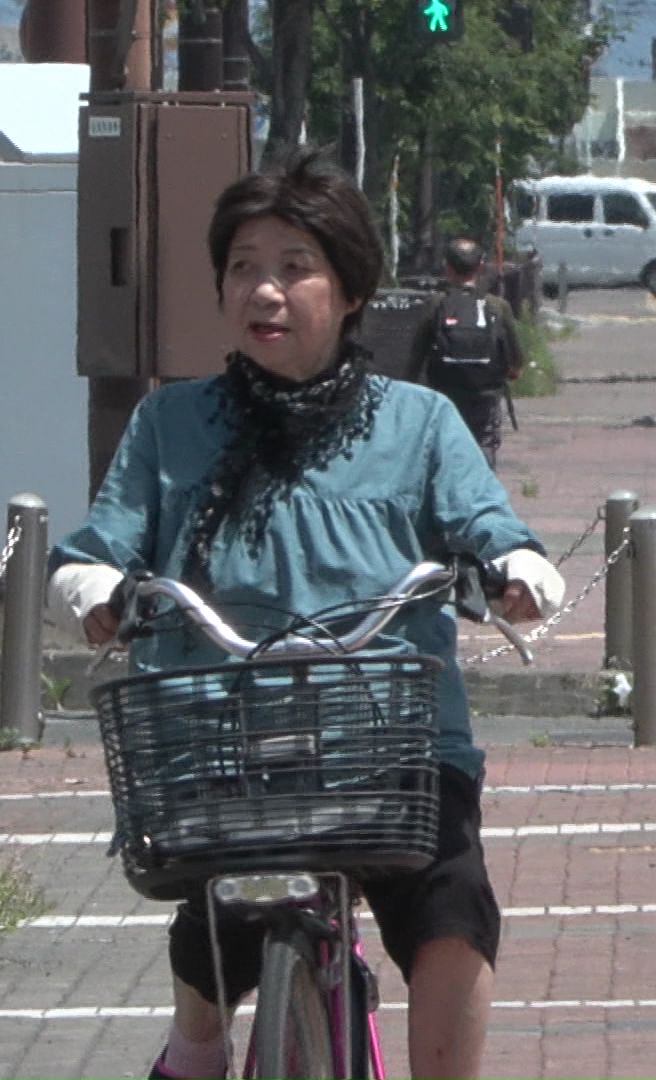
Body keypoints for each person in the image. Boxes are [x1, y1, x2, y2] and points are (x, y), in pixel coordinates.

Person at [46, 148, 564, 1080]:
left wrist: (511, 571)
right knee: (217, 931)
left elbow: (491, 527)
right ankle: (198, 1042)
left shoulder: (418, 423)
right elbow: (95, 549)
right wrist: (98, 595)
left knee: (451, 902)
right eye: (244, 266)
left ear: (350, 289)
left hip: (391, 743)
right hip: (220, 738)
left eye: (294, 266)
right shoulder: (172, 424)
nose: (266, 291)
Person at [408, 237, 523, 468]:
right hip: (485, 392)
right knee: (484, 441)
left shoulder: (436, 304)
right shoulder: (497, 306)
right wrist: (508, 372)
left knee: (444, 442)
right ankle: (483, 491)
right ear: (480, 267)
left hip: (445, 390)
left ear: (446, 267)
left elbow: (416, 356)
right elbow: (516, 361)